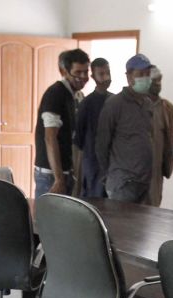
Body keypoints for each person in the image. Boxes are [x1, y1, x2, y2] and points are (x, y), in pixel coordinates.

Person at [96, 54, 159, 203]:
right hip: (123, 183)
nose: (146, 78)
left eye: (147, 74)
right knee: (121, 225)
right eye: (140, 74)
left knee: (142, 225)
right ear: (129, 77)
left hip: (144, 181)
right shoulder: (114, 104)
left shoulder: (148, 104)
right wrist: (111, 174)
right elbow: (101, 144)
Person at [34, 48, 90, 198]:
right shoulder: (56, 94)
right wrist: (58, 179)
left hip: (63, 172)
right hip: (50, 176)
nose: (83, 77)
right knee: (48, 220)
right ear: (64, 71)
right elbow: (50, 138)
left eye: (86, 72)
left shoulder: (73, 95)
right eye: (78, 72)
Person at [74, 57, 112, 198]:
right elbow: (78, 140)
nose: (106, 78)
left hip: (112, 163)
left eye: (108, 73)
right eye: (101, 74)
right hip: (92, 164)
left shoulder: (115, 102)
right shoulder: (86, 104)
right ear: (93, 77)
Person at [148, 67, 173, 207]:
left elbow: (170, 138)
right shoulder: (134, 105)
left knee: (152, 209)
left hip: (157, 172)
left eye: (160, 79)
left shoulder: (167, 108)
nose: (158, 84)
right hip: (134, 172)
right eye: (154, 80)